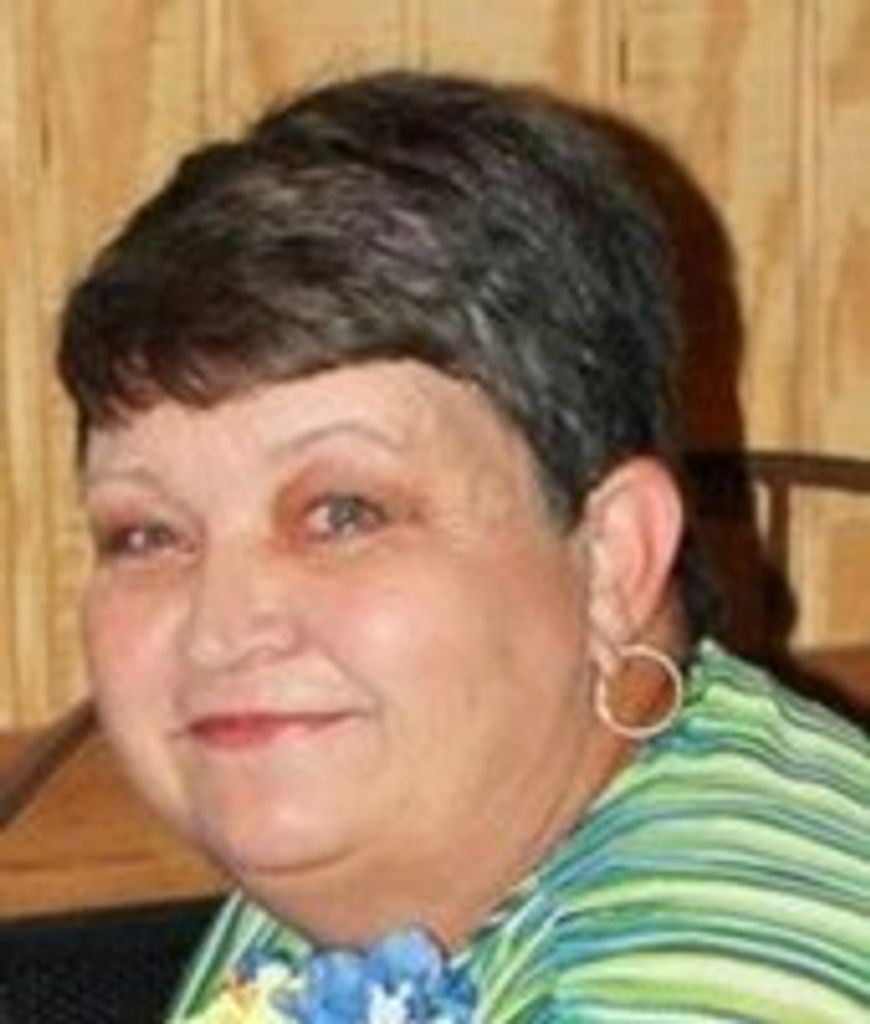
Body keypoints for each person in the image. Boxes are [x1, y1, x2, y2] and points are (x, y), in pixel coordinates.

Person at [58, 71, 868, 1022]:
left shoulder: (695, 980)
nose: (220, 628)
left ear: (612, 560)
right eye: (147, 535)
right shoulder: (401, 861)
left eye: (343, 513)